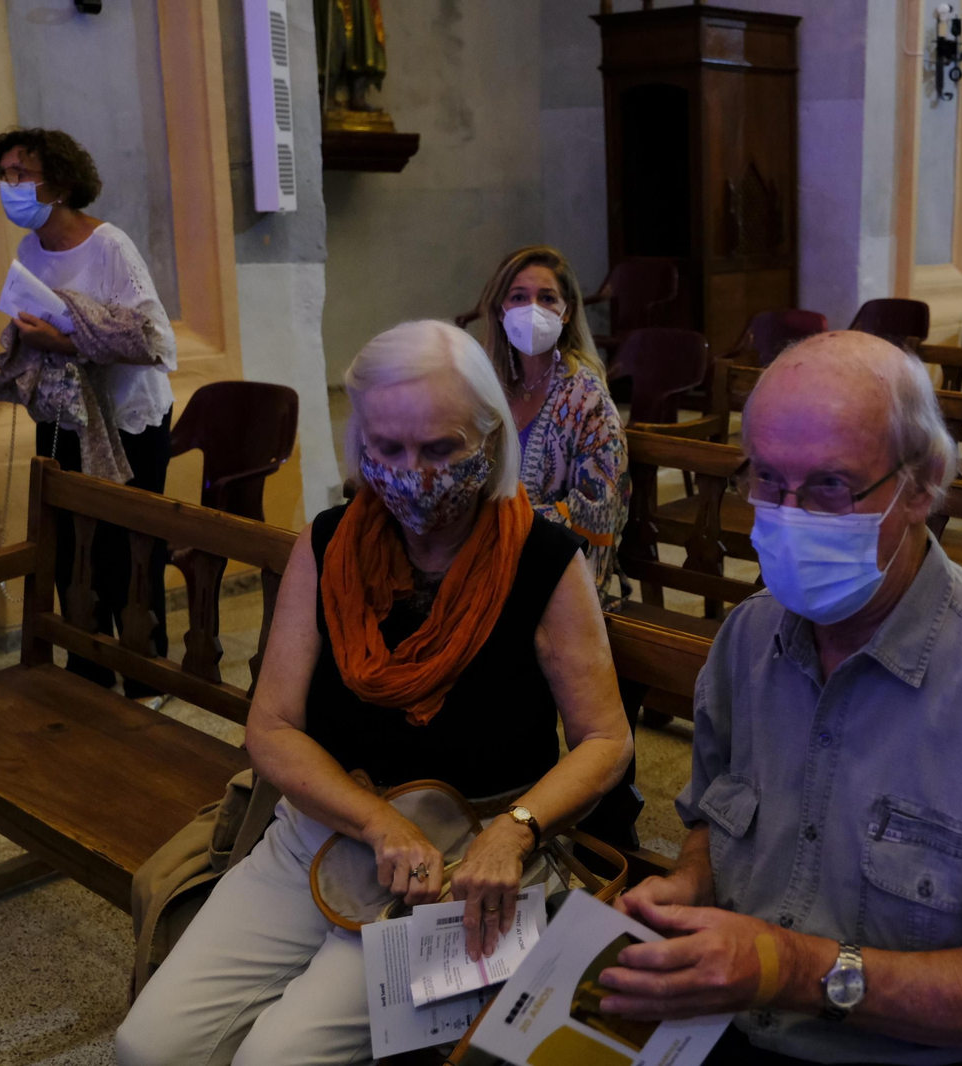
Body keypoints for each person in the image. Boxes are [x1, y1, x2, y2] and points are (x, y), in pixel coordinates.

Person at [599, 331, 962, 1065]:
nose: (789, 516)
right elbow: (715, 818)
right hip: (724, 1027)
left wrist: (793, 970)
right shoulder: (750, 637)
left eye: (830, 485)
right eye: (767, 479)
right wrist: (692, 879)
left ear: (921, 486)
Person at [116, 321, 634, 1066]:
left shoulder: (544, 560)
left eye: (440, 448)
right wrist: (377, 823)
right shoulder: (328, 544)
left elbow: (606, 739)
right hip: (325, 827)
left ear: (489, 439)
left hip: (468, 864)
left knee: (276, 1060)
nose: (412, 473)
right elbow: (273, 728)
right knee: (147, 1046)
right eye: (386, 448)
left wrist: (517, 830)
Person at [0, 127, 177, 701]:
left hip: (129, 417)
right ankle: (87, 667)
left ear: (61, 184)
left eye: (21, 173)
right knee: (70, 542)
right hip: (67, 414)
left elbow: (154, 341)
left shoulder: (109, 246)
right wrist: (30, 338)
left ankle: (144, 674)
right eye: (4, 175)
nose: (10, 185)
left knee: (128, 547)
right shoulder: (29, 251)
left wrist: (65, 339)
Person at [476, 246, 629, 607]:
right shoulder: (487, 389)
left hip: (558, 571)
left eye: (547, 298)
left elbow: (600, 509)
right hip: (484, 557)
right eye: (518, 297)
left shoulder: (586, 398)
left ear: (567, 311)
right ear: (500, 309)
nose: (532, 309)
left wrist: (500, 522)